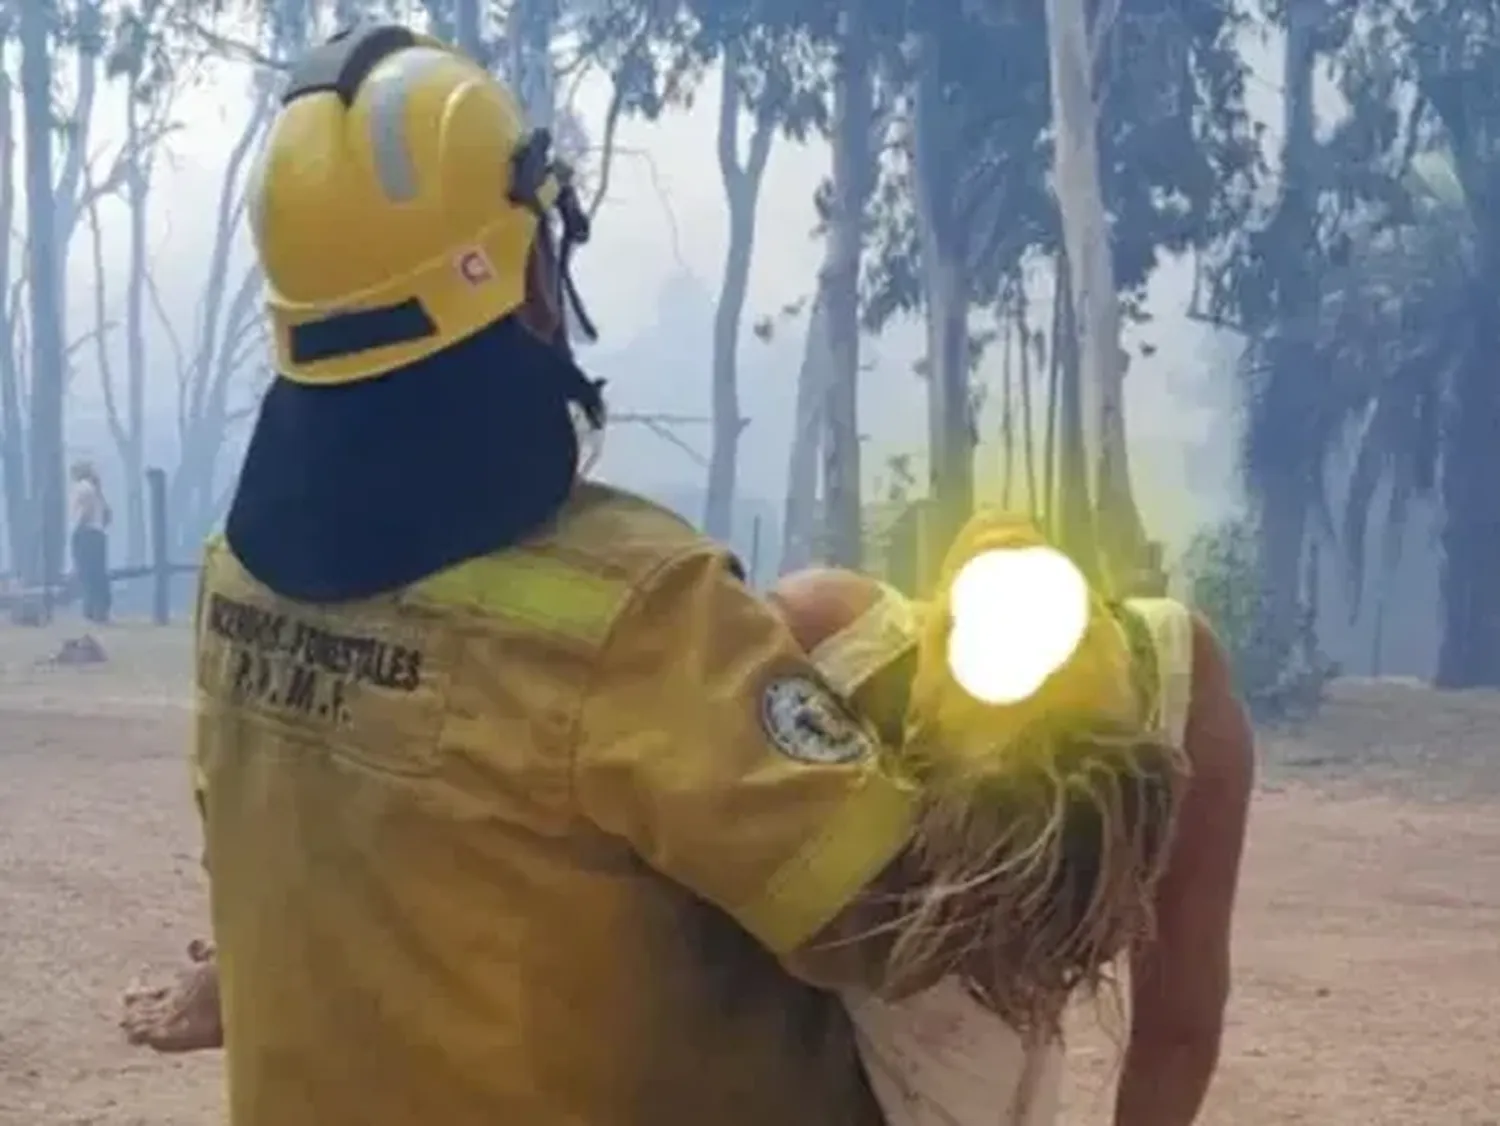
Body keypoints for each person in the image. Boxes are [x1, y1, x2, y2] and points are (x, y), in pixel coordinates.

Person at [121, 22, 1220, 1126]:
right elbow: (901, 923)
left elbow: (309, 862)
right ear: (533, 280)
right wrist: (1063, 724)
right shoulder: (638, 613)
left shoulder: (236, 589)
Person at [69, 459, 111, 623]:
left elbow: (84, 510)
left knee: (86, 572)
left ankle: (90, 610)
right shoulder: (96, 490)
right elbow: (107, 514)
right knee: (98, 572)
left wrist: (79, 527)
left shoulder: (82, 488)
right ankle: (101, 609)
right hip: (98, 533)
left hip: (86, 532)